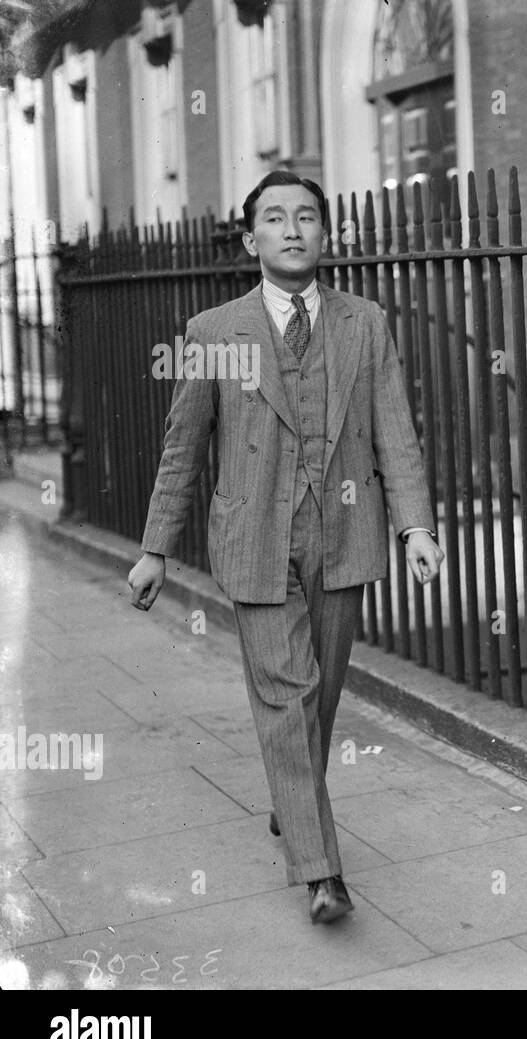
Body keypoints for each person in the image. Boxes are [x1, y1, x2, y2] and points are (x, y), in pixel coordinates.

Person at [128, 171, 444, 924]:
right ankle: (321, 872)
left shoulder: (364, 323)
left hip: (345, 533)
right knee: (286, 695)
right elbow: (183, 449)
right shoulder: (214, 333)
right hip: (255, 539)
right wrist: (154, 550)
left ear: (325, 235)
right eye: (275, 218)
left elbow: (395, 428)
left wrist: (417, 526)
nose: (292, 228)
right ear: (251, 240)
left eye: (306, 216)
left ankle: (291, 796)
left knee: (322, 694)